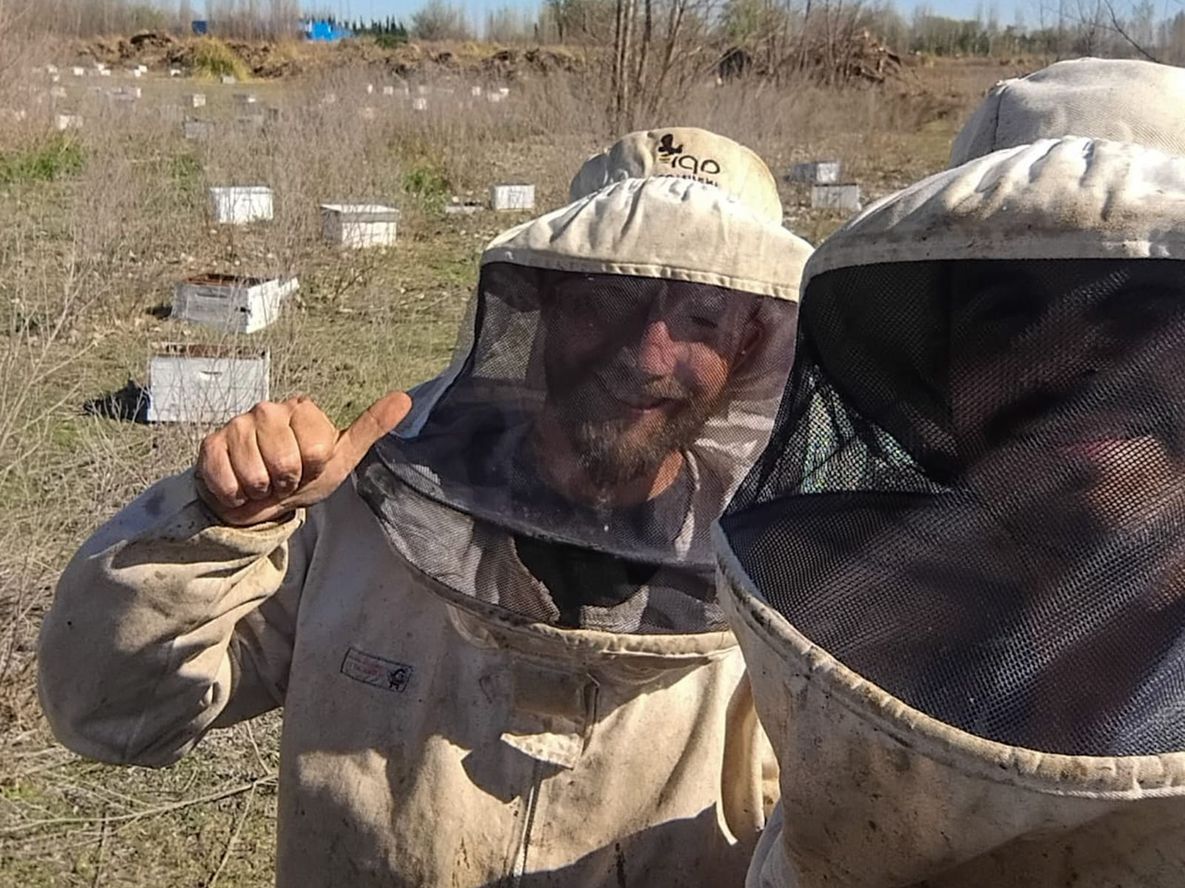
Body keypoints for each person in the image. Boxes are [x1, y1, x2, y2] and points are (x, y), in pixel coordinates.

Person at [39, 130, 814, 886]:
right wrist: (219, 528)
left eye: (701, 319)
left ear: (750, 350)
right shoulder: (362, 509)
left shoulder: (795, 591)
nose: (647, 355)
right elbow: (113, 713)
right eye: (609, 299)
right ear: (540, 306)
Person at [714, 81, 1185, 887]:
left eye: (1135, 307)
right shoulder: (878, 660)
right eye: (1003, 314)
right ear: (944, 378)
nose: (1062, 362)